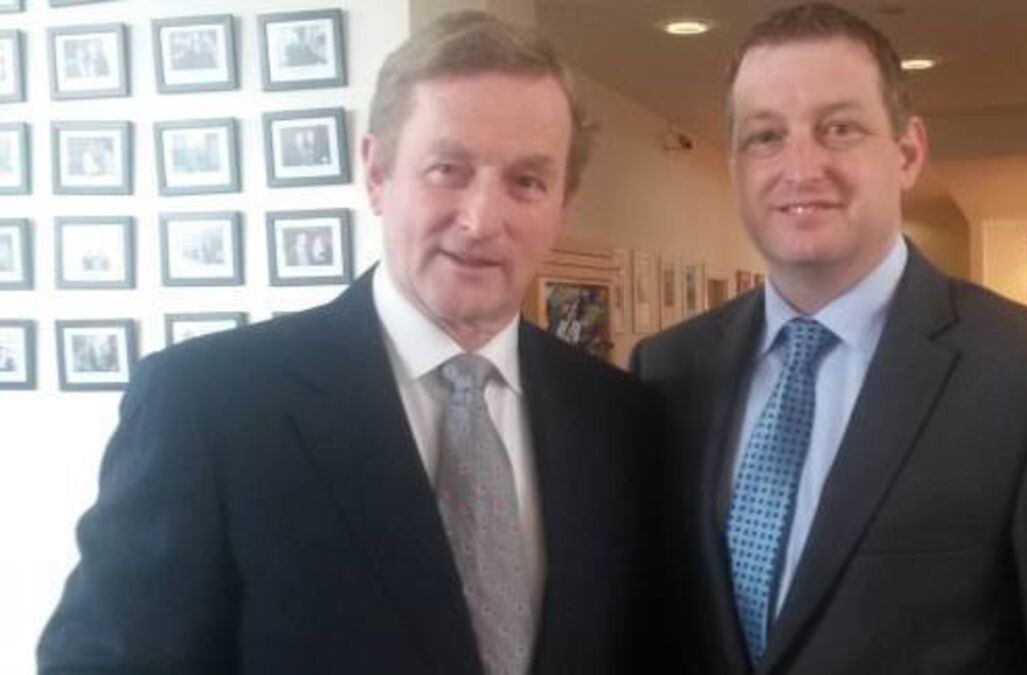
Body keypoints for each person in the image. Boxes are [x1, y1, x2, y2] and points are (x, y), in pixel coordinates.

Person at [39, 11, 658, 674]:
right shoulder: (208, 404)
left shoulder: (617, 418)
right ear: (375, 173)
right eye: (447, 169)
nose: (482, 220)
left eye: (526, 182)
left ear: (563, 206)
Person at [630, 3, 1027, 673]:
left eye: (839, 128)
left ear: (908, 151)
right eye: (765, 136)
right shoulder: (668, 370)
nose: (801, 167)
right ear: (738, 163)